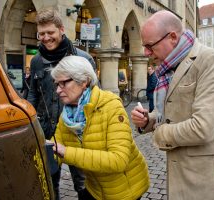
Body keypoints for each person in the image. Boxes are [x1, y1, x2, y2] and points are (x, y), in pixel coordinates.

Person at [131, 10, 214, 200]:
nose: (145, 53)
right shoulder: (168, 67)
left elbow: (202, 128)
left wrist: (159, 132)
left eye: (150, 45)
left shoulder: (211, 62)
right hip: (181, 175)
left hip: (208, 180)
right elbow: (171, 112)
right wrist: (147, 120)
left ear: (172, 37)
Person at [49, 55, 150, 200]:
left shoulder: (111, 106)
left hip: (125, 190)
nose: (58, 90)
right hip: (95, 188)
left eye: (63, 83)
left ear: (84, 81)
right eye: (56, 84)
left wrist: (66, 152)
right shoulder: (67, 115)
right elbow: (56, 149)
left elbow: (118, 160)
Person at [27, 7, 96, 200]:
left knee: (83, 184)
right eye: (42, 34)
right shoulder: (36, 62)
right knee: (50, 182)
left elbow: (95, 96)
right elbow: (33, 93)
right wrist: (29, 122)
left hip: (77, 131)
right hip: (48, 132)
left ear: (61, 30)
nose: (46, 38)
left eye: (50, 32)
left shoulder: (83, 59)